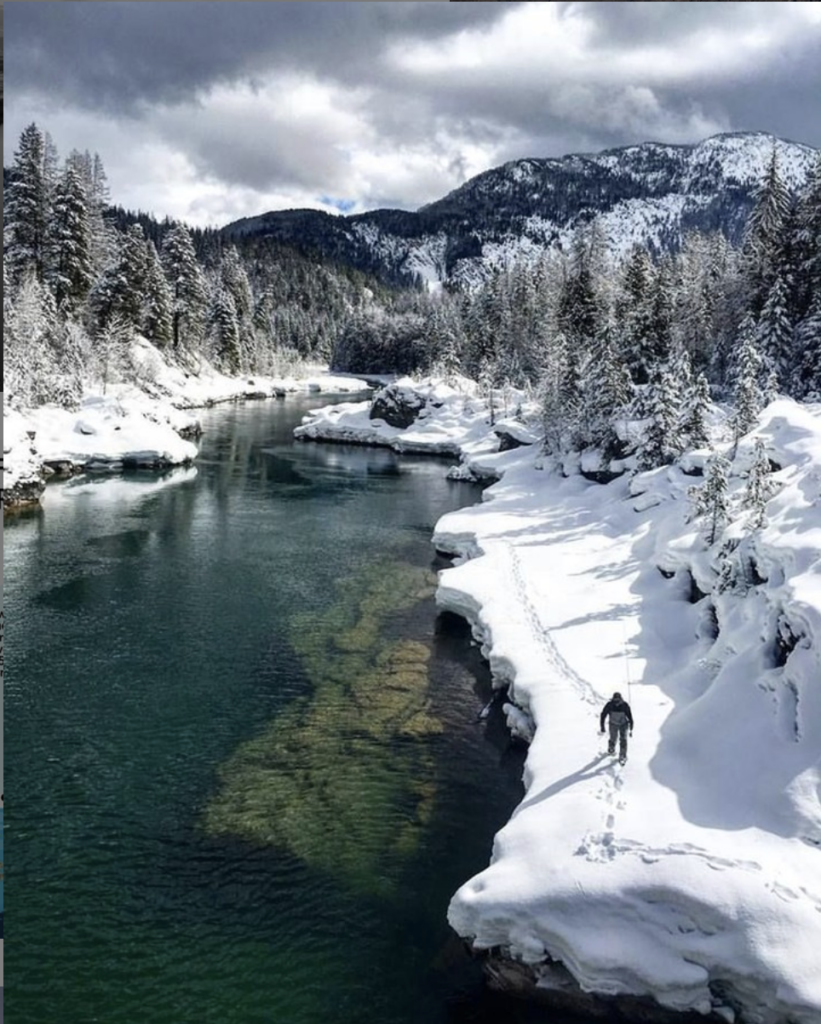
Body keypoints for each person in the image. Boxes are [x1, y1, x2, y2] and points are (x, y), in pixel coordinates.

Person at [600, 691, 633, 763]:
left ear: (621, 699)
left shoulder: (624, 705)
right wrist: (602, 727)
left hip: (623, 724)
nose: (616, 702)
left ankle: (622, 755)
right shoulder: (610, 705)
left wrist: (631, 727)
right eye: (615, 700)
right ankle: (611, 749)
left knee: (623, 739)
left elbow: (630, 716)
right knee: (613, 738)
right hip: (613, 724)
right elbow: (603, 715)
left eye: (618, 700)